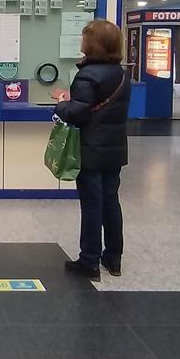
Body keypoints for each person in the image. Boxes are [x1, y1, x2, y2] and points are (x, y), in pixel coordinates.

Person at [52, 19, 131, 282]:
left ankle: (89, 262)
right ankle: (113, 259)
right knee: (111, 203)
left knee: (92, 205)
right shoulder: (121, 74)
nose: (81, 42)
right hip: (114, 150)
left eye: (85, 38)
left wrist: (62, 103)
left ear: (92, 44)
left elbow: (78, 113)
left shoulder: (87, 75)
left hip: (90, 150)